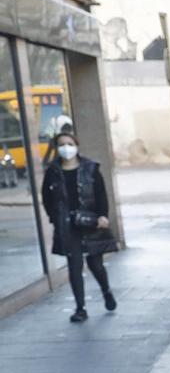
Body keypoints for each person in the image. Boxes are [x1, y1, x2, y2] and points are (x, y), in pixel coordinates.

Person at [40, 128, 115, 323]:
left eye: (70, 144)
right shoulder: (53, 171)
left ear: (76, 146)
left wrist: (102, 216)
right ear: (56, 148)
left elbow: (101, 194)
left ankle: (106, 291)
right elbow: (46, 198)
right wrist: (54, 217)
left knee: (95, 264)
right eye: (62, 145)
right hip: (67, 224)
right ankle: (80, 308)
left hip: (90, 221)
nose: (66, 148)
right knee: (74, 266)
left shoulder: (90, 168)